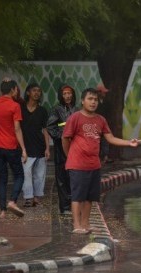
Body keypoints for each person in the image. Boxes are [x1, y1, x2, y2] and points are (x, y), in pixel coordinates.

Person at [62, 88, 140, 234]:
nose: (93, 102)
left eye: (95, 100)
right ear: (82, 101)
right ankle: (77, 225)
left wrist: (129, 142)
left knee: (90, 197)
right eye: (90, 99)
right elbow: (65, 138)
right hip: (77, 164)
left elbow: (110, 138)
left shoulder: (100, 120)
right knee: (78, 196)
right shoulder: (75, 118)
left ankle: (85, 223)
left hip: (94, 165)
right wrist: (70, 156)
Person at [0, 79, 27, 219]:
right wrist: (23, 148)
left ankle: (2, 211)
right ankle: (12, 201)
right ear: (13, 90)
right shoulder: (15, 106)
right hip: (11, 147)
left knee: (2, 179)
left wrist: (6, 83)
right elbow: (17, 129)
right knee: (19, 176)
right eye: (16, 89)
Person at [46, 84, 79, 215]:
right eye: (65, 93)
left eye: (69, 93)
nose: (67, 96)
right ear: (61, 95)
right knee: (62, 178)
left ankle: (74, 205)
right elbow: (50, 127)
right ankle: (65, 207)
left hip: (76, 148)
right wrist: (63, 137)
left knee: (75, 176)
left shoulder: (77, 110)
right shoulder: (56, 110)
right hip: (61, 148)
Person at [21, 83, 50, 207]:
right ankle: (28, 197)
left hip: (40, 146)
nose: (37, 93)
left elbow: (45, 130)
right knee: (26, 172)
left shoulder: (42, 110)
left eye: (39, 91)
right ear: (28, 92)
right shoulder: (21, 109)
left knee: (39, 174)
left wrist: (48, 148)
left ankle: (37, 197)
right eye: (34, 90)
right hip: (25, 148)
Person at [96, 83, 113, 164]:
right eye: (103, 92)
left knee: (105, 140)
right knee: (98, 142)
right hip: (97, 125)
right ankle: (99, 158)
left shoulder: (105, 102)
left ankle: (105, 157)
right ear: (99, 92)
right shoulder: (95, 102)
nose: (104, 94)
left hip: (104, 125)